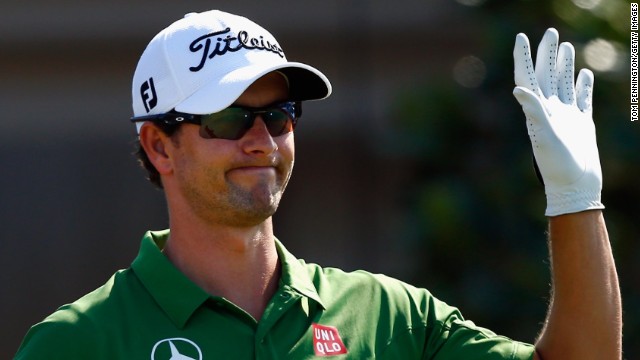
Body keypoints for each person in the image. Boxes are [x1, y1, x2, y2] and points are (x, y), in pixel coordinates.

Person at [15, 9, 621, 360]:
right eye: (228, 118)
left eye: (278, 116)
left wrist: (575, 199)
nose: (261, 140)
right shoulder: (78, 342)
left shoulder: (387, 316)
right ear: (158, 145)